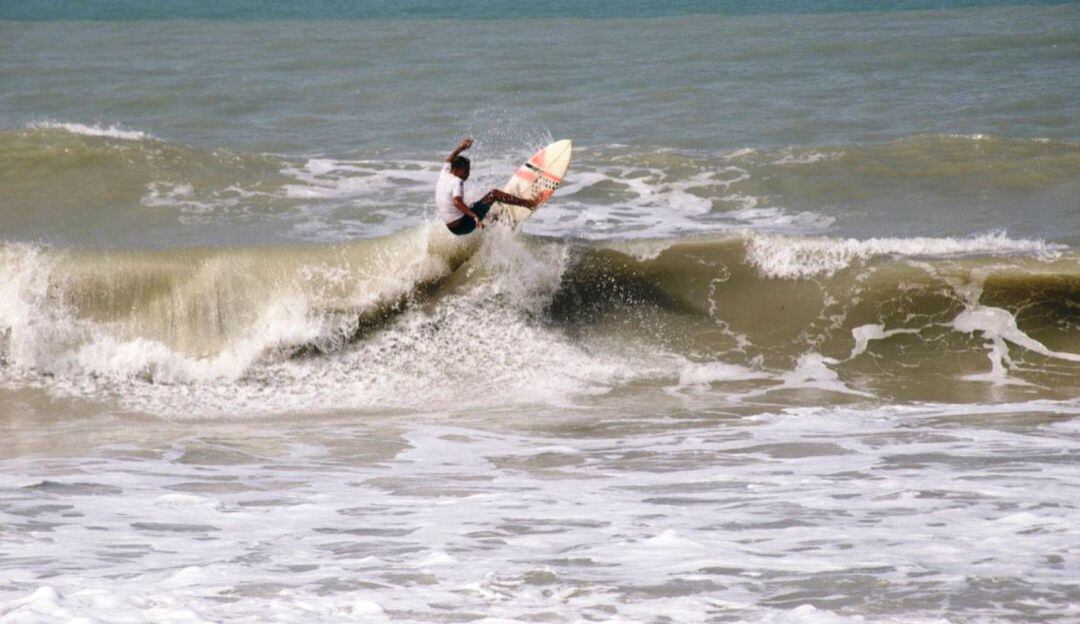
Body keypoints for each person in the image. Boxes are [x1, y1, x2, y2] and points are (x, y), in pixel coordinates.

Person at [436, 138, 539, 235]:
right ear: (456, 170)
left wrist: (461, 147)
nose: (468, 174)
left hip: (452, 227)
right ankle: (529, 203)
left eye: (469, 171)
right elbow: (457, 202)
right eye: (465, 171)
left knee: (475, 205)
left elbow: (450, 158)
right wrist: (474, 216)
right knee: (494, 194)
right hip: (462, 225)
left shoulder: (444, 172)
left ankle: (496, 219)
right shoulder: (457, 181)